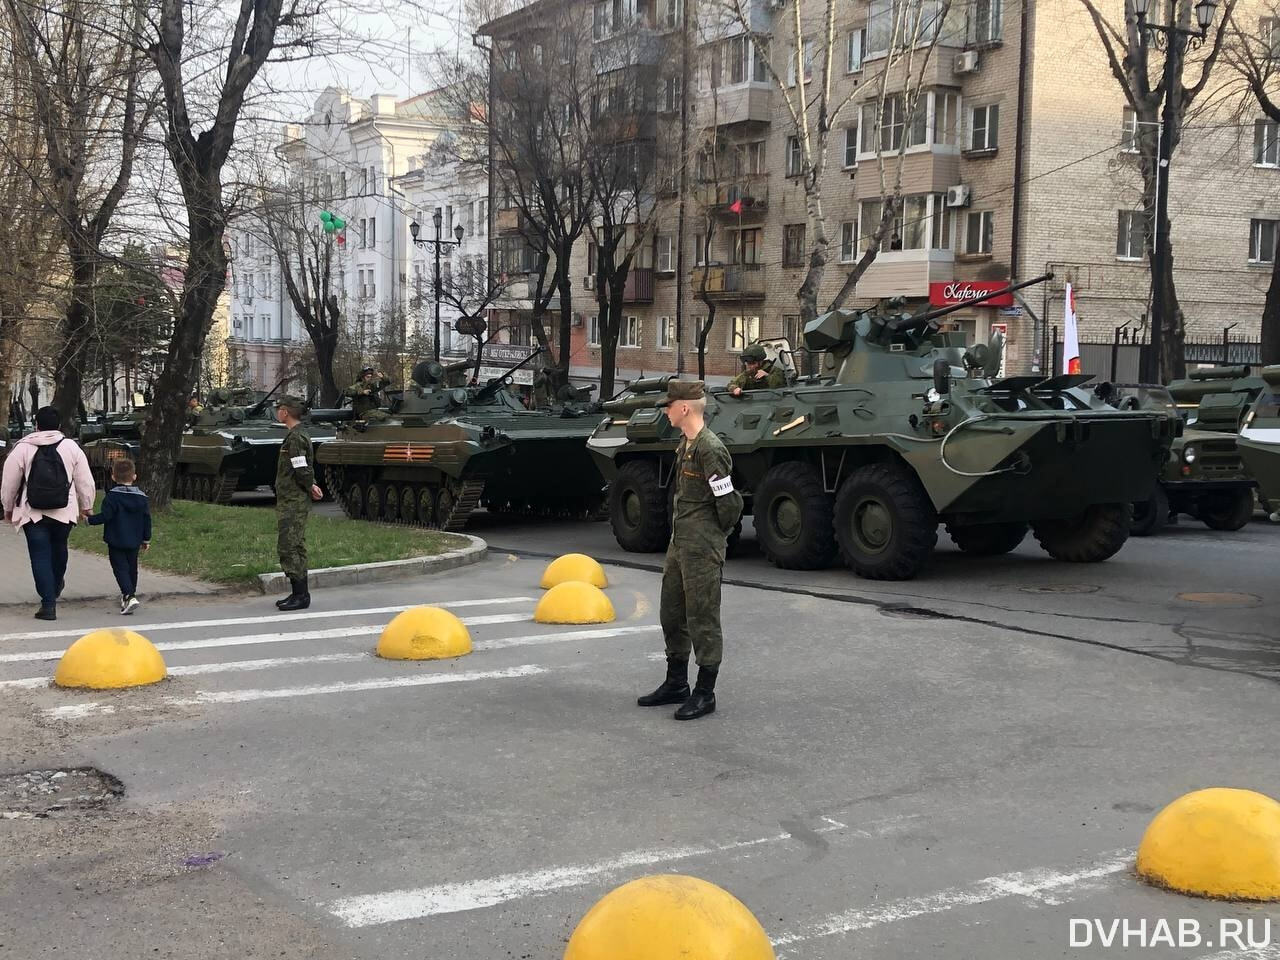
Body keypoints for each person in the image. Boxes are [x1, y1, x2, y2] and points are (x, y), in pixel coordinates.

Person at [637, 380, 743, 720]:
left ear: (684, 408)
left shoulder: (709, 449)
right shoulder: (686, 444)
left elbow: (728, 504)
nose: (665, 411)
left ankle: (705, 692)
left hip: (701, 547)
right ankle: (676, 683)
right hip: (679, 543)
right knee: (672, 614)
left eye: (668, 405)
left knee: (703, 618)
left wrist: (713, 537)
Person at [0, 405, 96, 620]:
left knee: (40, 555)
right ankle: (56, 582)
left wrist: (7, 508)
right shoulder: (71, 447)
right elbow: (85, 479)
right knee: (60, 548)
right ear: (59, 425)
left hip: (32, 512)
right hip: (65, 510)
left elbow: (9, 482)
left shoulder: (23, 448)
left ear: (36, 425)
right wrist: (87, 505)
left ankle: (48, 604)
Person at [273, 396, 323, 611]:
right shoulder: (297, 435)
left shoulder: (295, 438)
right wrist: (310, 484)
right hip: (292, 498)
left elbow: (300, 466)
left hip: (293, 499)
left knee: (289, 545)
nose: (277, 413)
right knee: (294, 544)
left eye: (279, 409)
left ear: (285, 412)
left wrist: (310, 485)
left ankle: (300, 595)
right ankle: (298, 593)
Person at [87, 458, 151, 615]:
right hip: (135, 539)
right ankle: (130, 594)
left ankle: (128, 595)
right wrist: (146, 538)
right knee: (132, 568)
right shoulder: (142, 498)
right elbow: (146, 519)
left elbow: (106, 516)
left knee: (120, 568)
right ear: (134, 476)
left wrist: (89, 520)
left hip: (116, 539)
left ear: (113, 477)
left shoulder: (112, 497)